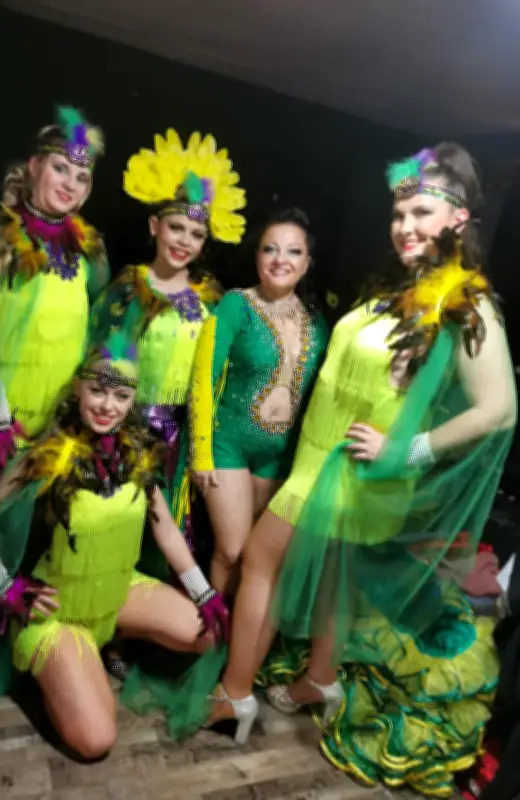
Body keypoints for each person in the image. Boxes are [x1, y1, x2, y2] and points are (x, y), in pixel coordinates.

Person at [203, 143, 516, 793]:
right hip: (326, 460)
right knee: (334, 580)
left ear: (458, 218)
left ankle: (234, 694)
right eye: (398, 213)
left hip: (348, 469)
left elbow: (498, 409)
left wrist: (408, 450)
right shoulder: (405, 290)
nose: (404, 226)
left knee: (260, 561)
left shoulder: (467, 302)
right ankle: (320, 680)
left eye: (421, 212)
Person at [0, 330, 230, 760]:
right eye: (98, 391)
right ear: (78, 388)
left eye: (121, 396)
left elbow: (165, 530)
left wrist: (204, 592)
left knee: (204, 634)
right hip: (61, 610)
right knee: (95, 741)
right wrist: (2, 587)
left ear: (132, 401)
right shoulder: (49, 453)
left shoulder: (139, 452)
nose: (107, 406)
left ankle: (107, 642)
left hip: (118, 592)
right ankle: (58, 666)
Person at [90, 128, 246, 574]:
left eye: (196, 234)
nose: (183, 241)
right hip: (126, 426)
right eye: (176, 227)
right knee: (116, 526)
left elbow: (217, 375)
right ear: (154, 226)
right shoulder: (128, 288)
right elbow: (97, 358)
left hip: (181, 437)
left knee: (171, 534)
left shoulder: (211, 301)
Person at [0, 106, 109, 482]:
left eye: (81, 177)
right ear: (35, 166)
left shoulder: (89, 251)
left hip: (64, 428)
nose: (69, 184)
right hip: (10, 422)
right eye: (60, 168)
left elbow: (96, 331)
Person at [190, 208, 328, 595]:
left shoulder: (317, 323)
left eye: (293, 251)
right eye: (270, 249)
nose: (280, 259)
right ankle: (215, 627)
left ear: (307, 263)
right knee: (232, 550)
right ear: (257, 257)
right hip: (228, 444)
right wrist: (201, 452)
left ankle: (242, 625)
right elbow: (202, 378)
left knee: (258, 557)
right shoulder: (236, 305)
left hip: (280, 457)